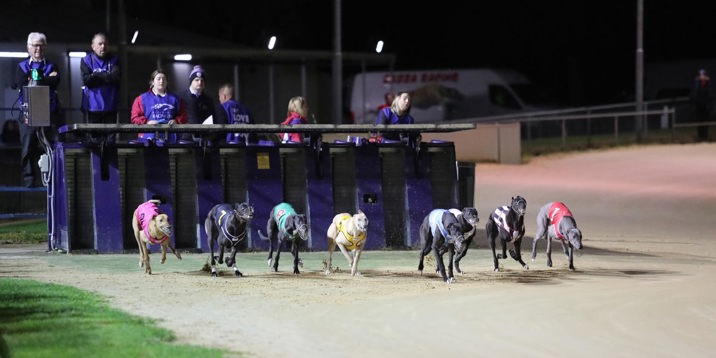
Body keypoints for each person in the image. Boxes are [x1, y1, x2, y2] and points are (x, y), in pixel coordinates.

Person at [13, 32, 64, 187]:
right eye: (35, 45)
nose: (38, 49)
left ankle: (52, 180)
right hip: (28, 114)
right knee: (27, 149)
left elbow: (55, 82)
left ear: (45, 47)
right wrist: (45, 79)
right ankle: (29, 181)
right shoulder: (21, 67)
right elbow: (21, 84)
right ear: (29, 47)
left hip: (50, 113)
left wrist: (35, 79)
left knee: (52, 147)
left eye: (41, 45)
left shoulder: (52, 65)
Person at [80, 33, 120, 143]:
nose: (103, 46)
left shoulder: (114, 60)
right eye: (100, 44)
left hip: (110, 108)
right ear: (93, 46)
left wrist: (96, 75)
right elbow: (87, 81)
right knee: (94, 143)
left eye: (105, 44)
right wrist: (107, 76)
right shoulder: (86, 60)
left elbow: (116, 78)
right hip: (93, 109)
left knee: (110, 143)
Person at [130, 69, 187, 144]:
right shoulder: (141, 99)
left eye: (164, 79)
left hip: (171, 139)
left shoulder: (176, 99)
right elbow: (135, 117)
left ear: (167, 82)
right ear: (152, 82)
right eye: (158, 79)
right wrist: (147, 122)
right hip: (148, 138)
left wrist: (176, 121)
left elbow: (183, 115)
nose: (161, 81)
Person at [178, 65, 227, 143]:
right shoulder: (180, 97)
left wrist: (211, 137)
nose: (200, 82)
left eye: (202, 80)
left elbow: (215, 118)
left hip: (203, 139)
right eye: (196, 80)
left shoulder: (209, 100)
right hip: (185, 139)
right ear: (191, 82)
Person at [690, 69, 713, 141]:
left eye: (703, 77)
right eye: (701, 77)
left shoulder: (709, 86)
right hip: (698, 106)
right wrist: (694, 105)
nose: (702, 79)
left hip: (706, 107)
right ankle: (700, 136)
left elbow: (710, 96)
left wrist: (709, 106)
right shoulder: (696, 86)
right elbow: (694, 95)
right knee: (699, 121)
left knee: (706, 121)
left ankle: (705, 136)